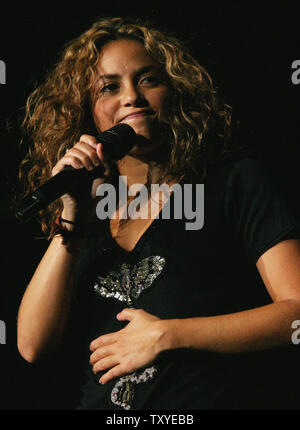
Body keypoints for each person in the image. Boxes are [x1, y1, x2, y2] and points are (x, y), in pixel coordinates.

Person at [17, 16, 300, 410]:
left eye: (148, 79)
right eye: (109, 88)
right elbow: (32, 345)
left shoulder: (232, 181)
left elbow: (296, 315)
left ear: (175, 91)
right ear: (87, 112)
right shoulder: (88, 210)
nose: (131, 96)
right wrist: (73, 219)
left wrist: (167, 335)